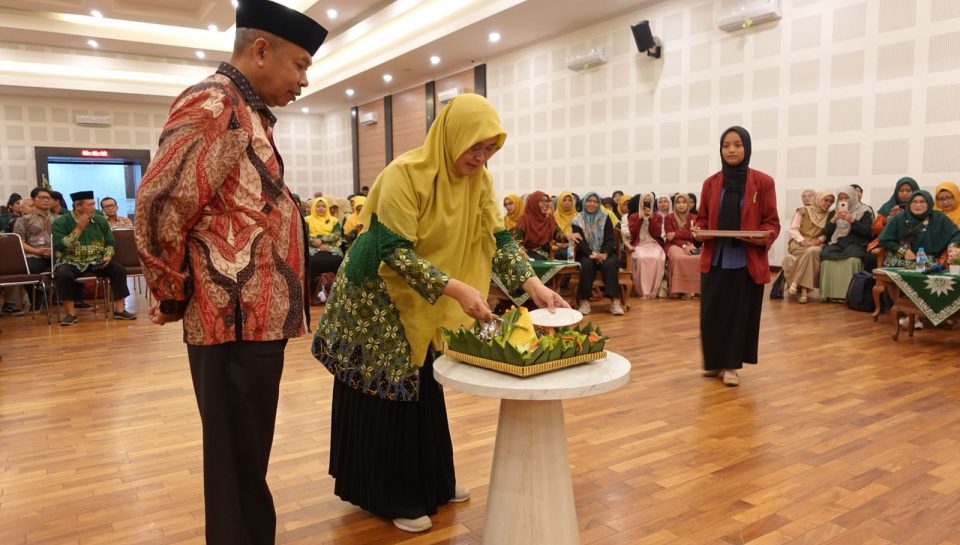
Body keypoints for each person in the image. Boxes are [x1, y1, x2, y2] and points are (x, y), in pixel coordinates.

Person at [312, 94, 568, 534]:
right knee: (390, 389)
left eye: (489, 149)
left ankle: (433, 480)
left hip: (426, 295)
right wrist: (457, 288)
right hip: (377, 293)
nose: (480, 157)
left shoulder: (479, 181)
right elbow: (393, 251)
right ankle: (391, 494)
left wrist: (535, 287)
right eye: (475, 147)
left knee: (424, 384)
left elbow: (499, 241)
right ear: (452, 135)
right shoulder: (405, 175)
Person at [134, 1, 326, 543]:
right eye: (300, 65)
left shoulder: (246, 109)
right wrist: (173, 295)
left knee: (245, 460)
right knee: (236, 462)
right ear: (260, 49)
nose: (304, 80)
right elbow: (158, 204)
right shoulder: (216, 103)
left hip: (253, 318)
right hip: (231, 318)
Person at [692, 126, 780, 387]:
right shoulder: (711, 183)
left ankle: (731, 365)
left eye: (737, 145)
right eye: (726, 145)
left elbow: (771, 222)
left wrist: (763, 235)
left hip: (746, 260)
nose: (731, 150)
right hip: (716, 257)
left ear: (747, 148)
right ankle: (715, 362)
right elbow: (703, 217)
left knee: (740, 313)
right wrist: (698, 230)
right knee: (713, 313)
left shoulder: (763, 182)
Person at [52, 191, 137, 325]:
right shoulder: (61, 222)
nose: (94, 207)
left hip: (96, 260)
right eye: (90, 204)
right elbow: (61, 246)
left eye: (93, 204)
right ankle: (70, 314)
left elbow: (110, 242)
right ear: (78, 206)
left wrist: (108, 256)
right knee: (63, 274)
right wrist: (79, 228)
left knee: (118, 269)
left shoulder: (100, 220)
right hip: (71, 260)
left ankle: (120, 310)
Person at [879, 189, 960, 268]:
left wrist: (952, 248)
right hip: (901, 262)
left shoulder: (939, 218)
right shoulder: (899, 218)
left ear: (929, 203)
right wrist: (903, 251)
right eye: (914, 202)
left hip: (931, 262)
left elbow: (956, 234)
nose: (918, 205)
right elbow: (884, 240)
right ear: (909, 203)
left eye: (922, 202)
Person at [572, 192, 623, 315]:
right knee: (587, 265)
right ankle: (584, 301)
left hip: (605, 253)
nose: (592, 204)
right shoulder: (577, 220)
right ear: (584, 203)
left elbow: (609, 240)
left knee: (610, 264)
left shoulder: (605, 217)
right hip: (586, 253)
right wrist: (591, 253)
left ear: (599, 203)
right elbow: (580, 241)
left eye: (595, 201)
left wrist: (604, 254)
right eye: (589, 201)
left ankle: (615, 301)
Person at [819, 186, 874, 300]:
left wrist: (852, 220)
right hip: (838, 242)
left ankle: (850, 295)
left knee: (853, 257)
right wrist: (833, 220)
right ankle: (829, 295)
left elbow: (867, 232)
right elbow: (827, 234)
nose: (843, 201)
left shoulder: (865, 211)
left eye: (846, 198)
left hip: (856, 242)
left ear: (853, 198)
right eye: (841, 199)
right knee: (826, 254)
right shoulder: (834, 212)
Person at [781, 189, 833, 304]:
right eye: (826, 200)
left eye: (831, 201)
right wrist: (802, 241)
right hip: (799, 243)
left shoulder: (830, 216)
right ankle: (804, 291)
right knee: (810, 253)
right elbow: (793, 229)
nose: (828, 204)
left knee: (812, 251)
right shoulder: (803, 211)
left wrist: (818, 240)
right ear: (819, 199)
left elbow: (828, 234)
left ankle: (796, 283)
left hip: (816, 244)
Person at [511, 191, 578, 259]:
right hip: (527, 253)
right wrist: (524, 255)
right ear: (533, 203)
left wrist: (566, 235)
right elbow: (516, 243)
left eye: (547, 201)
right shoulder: (524, 219)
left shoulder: (549, 219)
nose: (545, 204)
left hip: (546, 253)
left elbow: (558, 236)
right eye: (542, 201)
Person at [624, 193, 665, 299]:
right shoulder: (633, 216)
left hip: (653, 243)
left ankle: (653, 291)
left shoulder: (658, 216)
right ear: (641, 202)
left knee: (657, 258)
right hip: (639, 244)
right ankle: (641, 290)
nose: (647, 203)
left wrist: (651, 219)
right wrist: (640, 218)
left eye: (649, 201)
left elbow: (656, 233)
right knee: (641, 258)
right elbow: (633, 234)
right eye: (645, 201)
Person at [306, 196, 343, 304]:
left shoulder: (333, 220)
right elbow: (304, 235)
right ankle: (313, 294)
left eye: (323, 206)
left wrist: (321, 240)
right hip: (313, 246)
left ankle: (337, 294)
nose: (321, 208)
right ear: (313, 207)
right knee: (312, 262)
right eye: (318, 206)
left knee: (339, 260)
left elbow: (336, 235)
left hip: (330, 247)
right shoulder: (307, 220)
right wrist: (315, 242)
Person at [663, 192, 701, 299]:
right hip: (673, 245)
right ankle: (682, 290)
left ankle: (696, 290)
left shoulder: (694, 217)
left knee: (698, 258)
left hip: (692, 243)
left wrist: (676, 233)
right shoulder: (669, 218)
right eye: (678, 202)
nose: (681, 205)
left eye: (684, 202)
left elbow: (692, 234)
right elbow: (669, 237)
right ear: (674, 205)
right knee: (678, 258)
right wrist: (684, 245)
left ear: (688, 204)